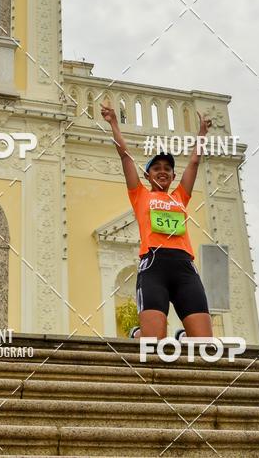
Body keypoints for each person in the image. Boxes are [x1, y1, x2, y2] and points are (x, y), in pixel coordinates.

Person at [101, 103, 213, 341]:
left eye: (168, 169)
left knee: (205, 343)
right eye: (157, 168)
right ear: (147, 175)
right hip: (153, 265)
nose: (162, 171)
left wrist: (202, 133)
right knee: (154, 340)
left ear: (173, 176)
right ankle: (138, 333)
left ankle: (184, 337)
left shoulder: (180, 196)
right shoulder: (140, 195)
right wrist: (113, 123)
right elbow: (125, 156)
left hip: (184, 267)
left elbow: (194, 163)